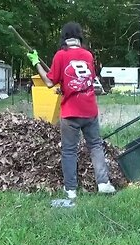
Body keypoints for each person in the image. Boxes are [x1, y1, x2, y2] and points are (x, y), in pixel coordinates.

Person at [26, 22, 116, 199]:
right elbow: (84, 80)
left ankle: (71, 189)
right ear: (79, 37)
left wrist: (36, 63)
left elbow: (50, 82)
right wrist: (65, 87)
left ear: (64, 37)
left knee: (69, 150)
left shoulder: (61, 55)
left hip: (70, 112)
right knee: (95, 146)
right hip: (89, 109)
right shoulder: (88, 55)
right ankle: (104, 183)